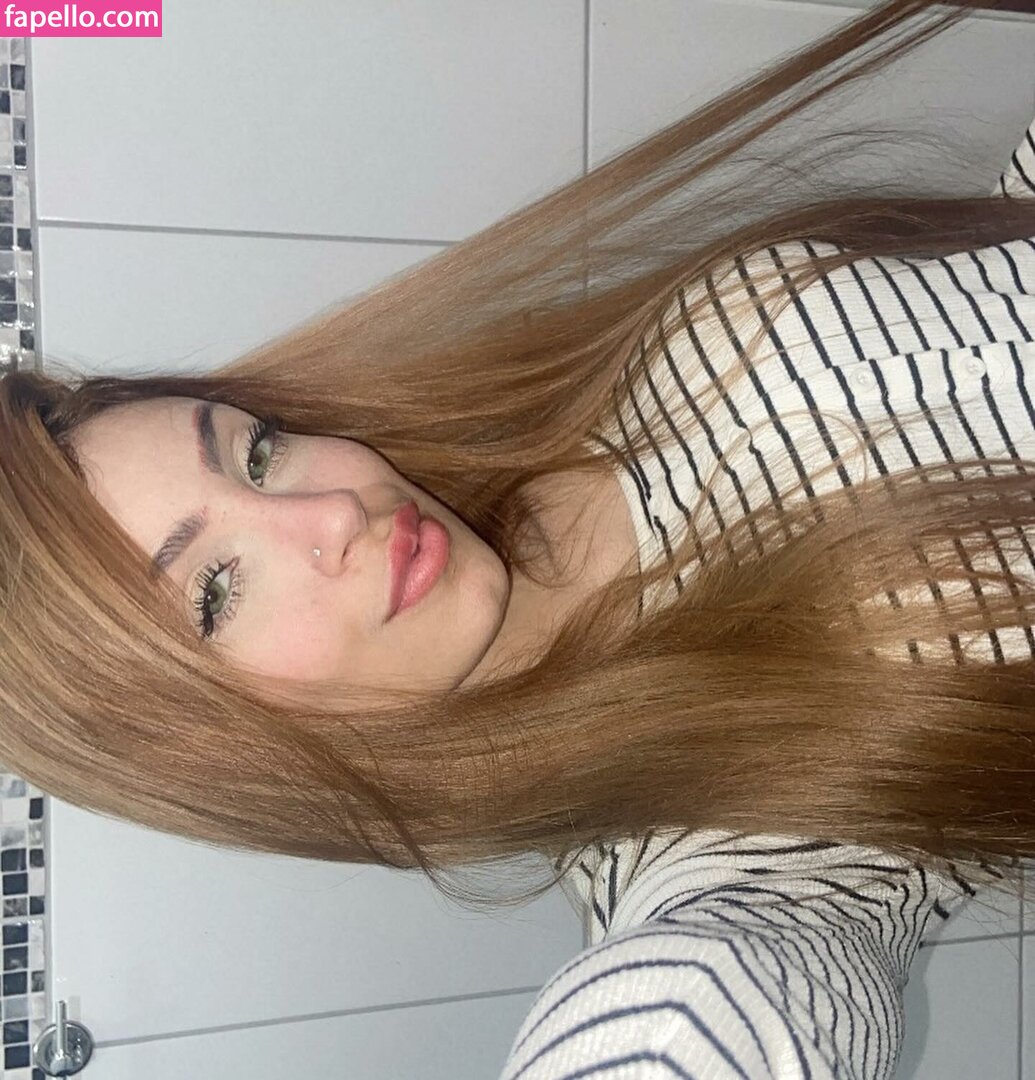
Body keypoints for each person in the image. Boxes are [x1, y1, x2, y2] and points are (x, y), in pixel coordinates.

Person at [1, 2, 1034, 1077]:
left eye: (256, 453)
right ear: (230, 752)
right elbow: (702, 1022)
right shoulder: (716, 844)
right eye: (216, 590)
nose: (333, 514)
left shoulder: (590, 381)